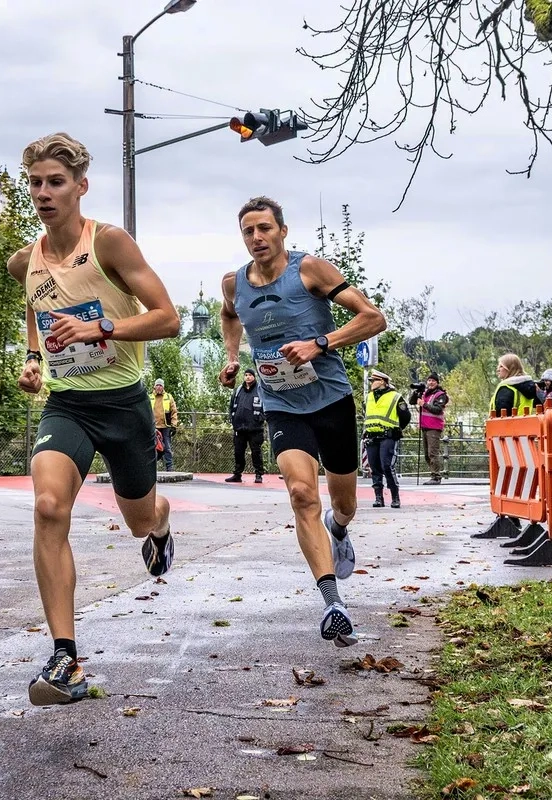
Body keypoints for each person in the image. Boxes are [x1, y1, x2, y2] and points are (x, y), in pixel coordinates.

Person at [7, 132, 180, 705]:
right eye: (35, 182)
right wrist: (34, 359)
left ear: (81, 187)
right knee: (48, 507)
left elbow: (168, 318)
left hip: (125, 404)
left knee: (137, 520)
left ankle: (160, 519)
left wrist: (100, 327)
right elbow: (35, 306)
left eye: (56, 182)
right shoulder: (23, 261)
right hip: (69, 405)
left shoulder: (109, 243)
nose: (44, 192)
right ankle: (65, 659)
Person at [219, 195, 386, 648]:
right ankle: (333, 603)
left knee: (345, 500)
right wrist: (233, 358)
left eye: (265, 228)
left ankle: (340, 527)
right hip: (281, 404)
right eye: (249, 231)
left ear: (282, 231)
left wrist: (320, 343)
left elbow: (374, 318)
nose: (257, 238)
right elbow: (230, 315)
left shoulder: (310, 270)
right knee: (299, 493)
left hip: (331, 400)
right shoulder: (234, 283)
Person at [364, 369, 411, 508]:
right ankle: (378, 497)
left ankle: (395, 497)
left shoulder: (395, 397)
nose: (372, 383)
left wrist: (396, 429)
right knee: (374, 467)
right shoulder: (369, 397)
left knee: (387, 465)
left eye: (374, 381)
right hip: (372, 435)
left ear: (383, 381)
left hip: (388, 436)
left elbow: (405, 416)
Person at [226, 367, 266, 483]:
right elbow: (232, 405)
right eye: (246, 375)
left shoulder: (260, 390)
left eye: (250, 375)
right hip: (240, 428)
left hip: (255, 428)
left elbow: (266, 406)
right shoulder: (238, 390)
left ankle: (258, 474)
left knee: (256, 452)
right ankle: (237, 474)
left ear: (254, 377)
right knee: (238, 452)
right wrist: (233, 420)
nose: (247, 377)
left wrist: (259, 419)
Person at [408, 372, 448, 485]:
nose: (430, 383)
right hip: (425, 426)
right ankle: (433, 474)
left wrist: (424, 404)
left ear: (437, 382)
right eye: (429, 380)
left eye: (433, 381)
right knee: (427, 453)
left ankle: (436, 476)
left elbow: (437, 409)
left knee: (432, 453)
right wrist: (416, 392)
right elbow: (411, 402)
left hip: (434, 427)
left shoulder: (440, 395)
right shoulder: (425, 393)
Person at [151, 379, 180, 471]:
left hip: (165, 426)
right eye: (157, 385)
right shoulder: (150, 397)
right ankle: (151, 467)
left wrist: (174, 425)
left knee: (167, 447)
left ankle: (169, 467)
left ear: (163, 387)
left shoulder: (168, 397)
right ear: (154, 387)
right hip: (153, 427)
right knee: (152, 448)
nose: (159, 387)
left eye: (161, 385)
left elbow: (174, 412)